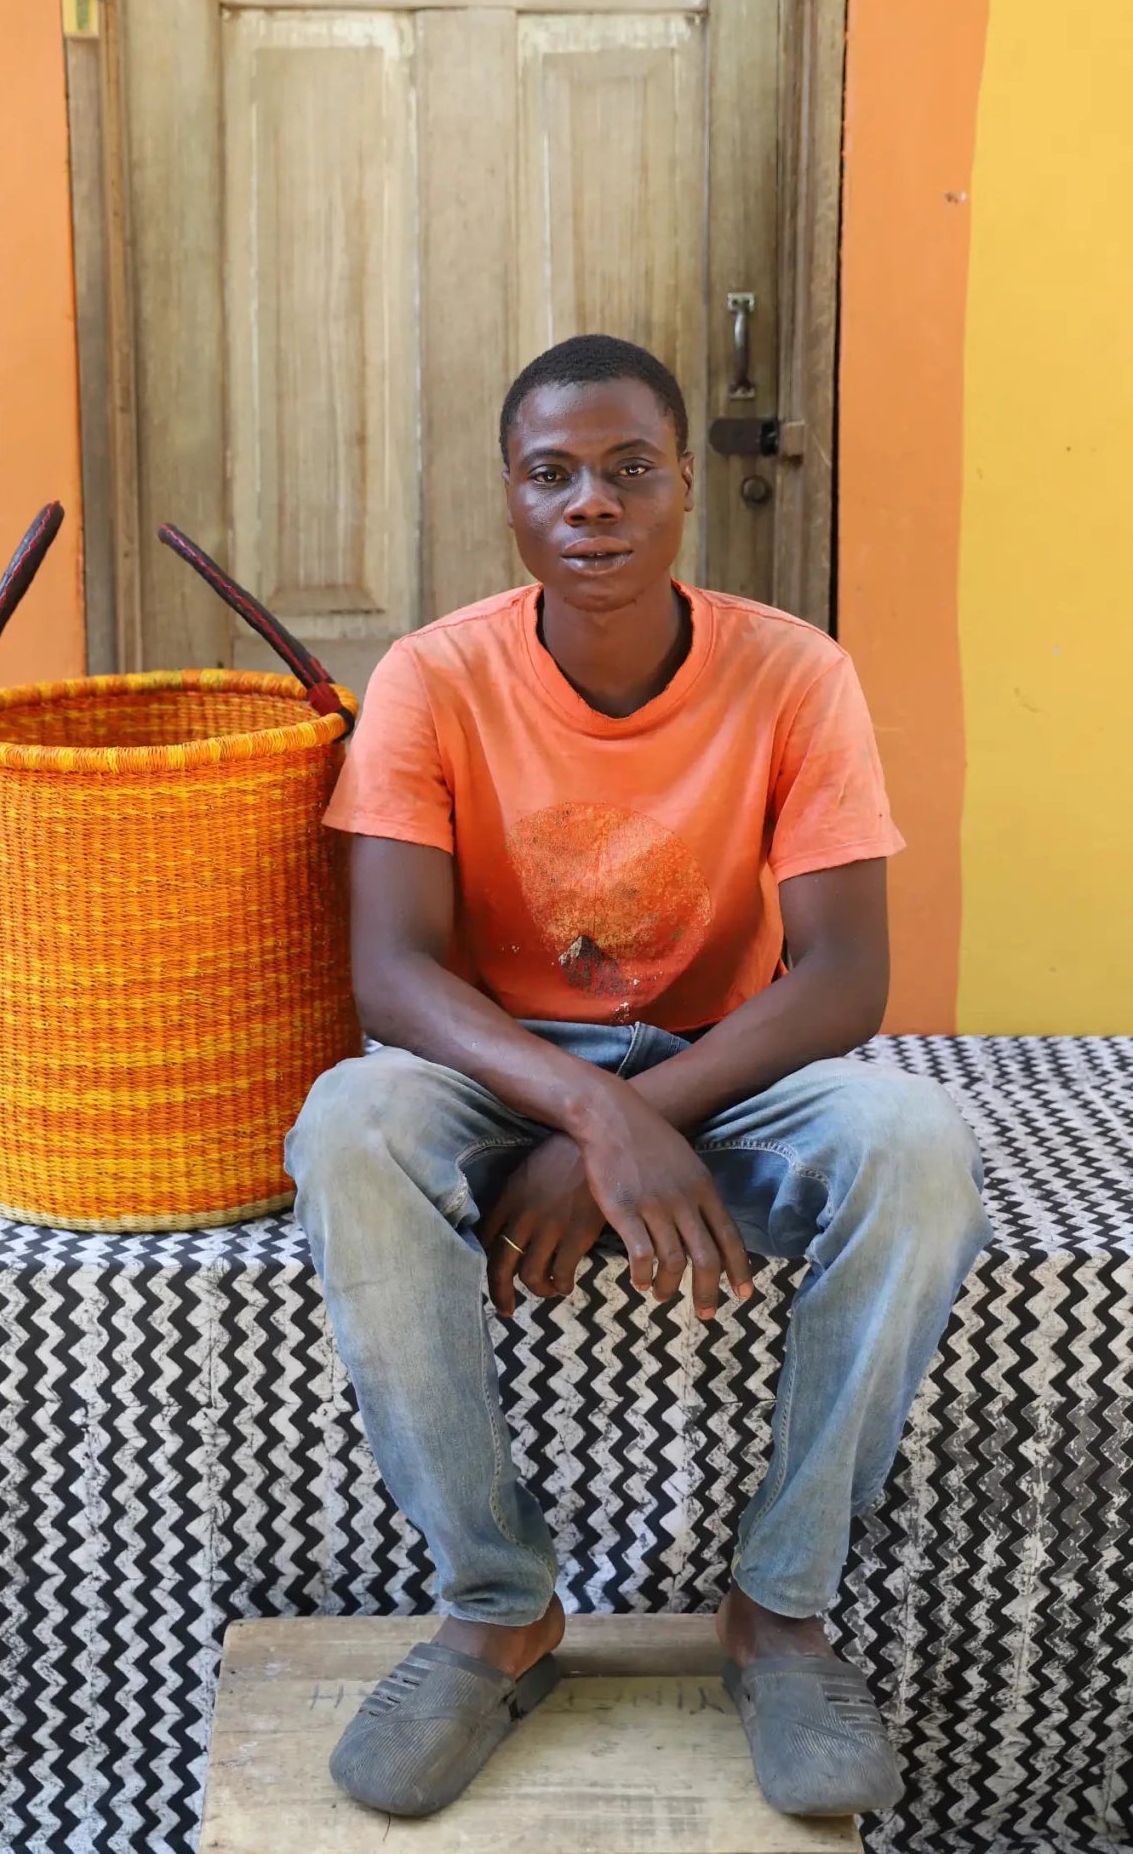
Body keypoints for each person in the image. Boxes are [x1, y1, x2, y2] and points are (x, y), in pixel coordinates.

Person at [286, 333, 993, 1821]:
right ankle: (495, 1602)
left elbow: (845, 977)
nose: (590, 505)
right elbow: (394, 975)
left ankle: (778, 1614)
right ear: (511, 503)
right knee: (351, 1122)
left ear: (683, 492)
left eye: (627, 471)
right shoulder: (434, 676)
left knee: (919, 1143)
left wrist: (647, 1109)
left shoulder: (793, 673)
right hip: (509, 1071)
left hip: (727, 1073)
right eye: (552, 476)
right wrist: (584, 1109)